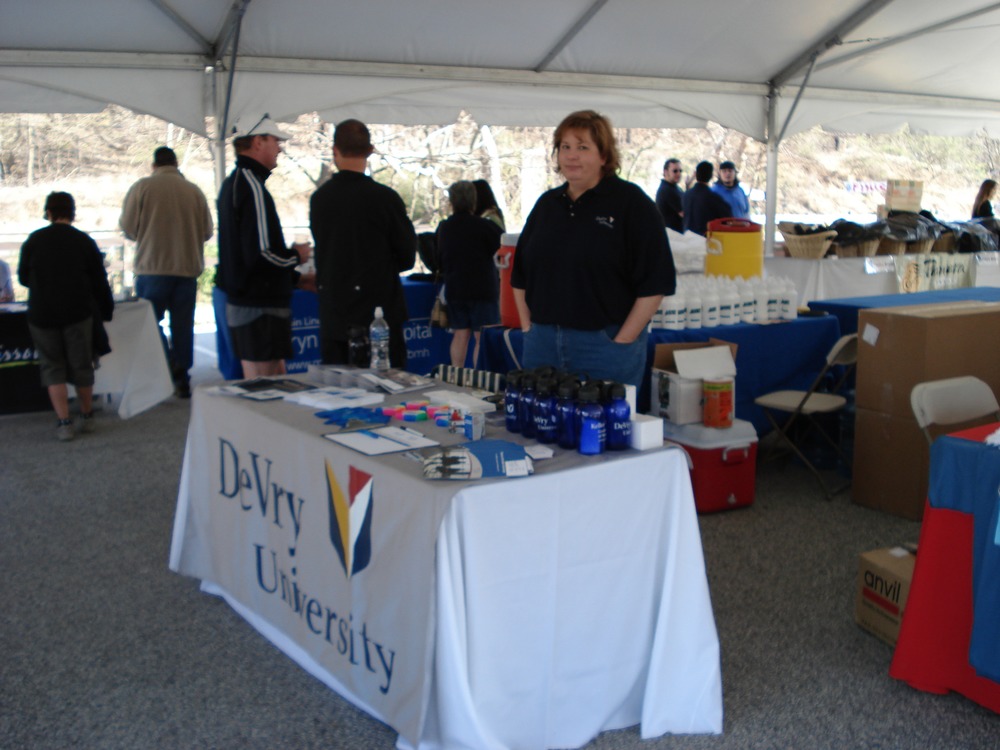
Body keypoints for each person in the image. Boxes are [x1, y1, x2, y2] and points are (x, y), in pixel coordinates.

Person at [510, 109, 675, 388]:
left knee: (603, 431)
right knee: (540, 428)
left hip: (605, 346)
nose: (572, 155)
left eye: (582, 147)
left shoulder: (631, 204)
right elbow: (520, 275)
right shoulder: (547, 205)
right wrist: (529, 329)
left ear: (603, 156)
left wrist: (622, 341)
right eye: (565, 147)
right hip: (542, 344)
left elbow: (655, 283)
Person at [309, 119, 416, 368]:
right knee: (388, 395)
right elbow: (407, 256)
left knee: (338, 395)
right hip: (380, 314)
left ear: (335, 150)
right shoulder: (386, 199)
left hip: (336, 314)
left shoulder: (320, 200)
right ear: (370, 152)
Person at [216, 115, 313, 378]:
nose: (279, 147)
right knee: (265, 384)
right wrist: (296, 256)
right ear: (258, 142)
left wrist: (294, 277)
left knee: (266, 379)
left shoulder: (236, 183)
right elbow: (261, 255)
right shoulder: (250, 185)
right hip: (259, 305)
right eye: (275, 140)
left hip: (248, 301)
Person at [17, 192, 114, 441]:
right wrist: (106, 311)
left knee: (52, 368)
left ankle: (64, 423)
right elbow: (99, 281)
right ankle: (87, 416)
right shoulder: (83, 241)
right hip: (77, 313)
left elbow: (23, 278)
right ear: (72, 212)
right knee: (81, 365)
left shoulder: (34, 240)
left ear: (48, 212)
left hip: (42, 314)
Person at [119, 146, 213, 398]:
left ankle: (165, 365)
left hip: (152, 268)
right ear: (176, 164)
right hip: (186, 269)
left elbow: (128, 229)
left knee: (151, 323)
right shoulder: (194, 191)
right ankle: (182, 372)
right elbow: (207, 232)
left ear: (154, 165)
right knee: (183, 325)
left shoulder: (142, 188)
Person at [437, 181, 503, 367]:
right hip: (483, 289)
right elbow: (503, 247)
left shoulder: (445, 227)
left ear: (451, 202)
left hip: (455, 289)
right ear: (474, 201)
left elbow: (439, 258)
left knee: (460, 334)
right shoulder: (485, 226)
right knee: (481, 338)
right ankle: (478, 380)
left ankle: (456, 376)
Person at [682, 161, 731, 235]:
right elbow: (727, 217)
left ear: (696, 174)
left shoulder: (686, 195)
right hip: (704, 240)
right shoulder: (713, 198)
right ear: (711, 176)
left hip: (687, 237)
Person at [655, 158, 684, 232]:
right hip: (673, 236)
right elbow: (683, 213)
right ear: (666, 172)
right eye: (675, 171)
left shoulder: (675, 188)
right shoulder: (667, 190)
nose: (678, 174)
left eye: (680, 171)